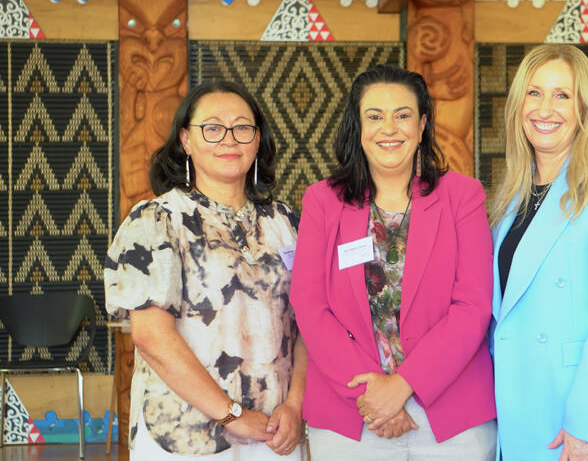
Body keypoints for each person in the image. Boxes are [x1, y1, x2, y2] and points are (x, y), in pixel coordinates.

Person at [289, 64, 497, 461]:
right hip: (352, 413)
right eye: (375, 116)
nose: (389, 128)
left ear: (421, 126)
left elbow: (472, 306)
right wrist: (374, 397)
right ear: (358, 127)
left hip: (451, 415)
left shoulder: (462, 197)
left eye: (402, 115)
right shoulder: (322, 202)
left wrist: (403, 385)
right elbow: (310, 305)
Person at [104, 81, 307, 460]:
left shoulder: (286, 222)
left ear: (258, 140)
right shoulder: (157, 219)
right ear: (186, 139)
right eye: (212, 128)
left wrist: (295, 406)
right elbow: (151, 337)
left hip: (274, 431)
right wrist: (231, 414)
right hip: (185, 433)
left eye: (242, 127)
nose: (229, 139)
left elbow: (308, 324)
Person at [489, 44, 588, 461]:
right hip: (519, 405)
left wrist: (587, 424)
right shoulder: (510, 200)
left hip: (577, 419)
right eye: (534, 93)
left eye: (562, 95)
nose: (546, 108)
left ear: (584, 109)